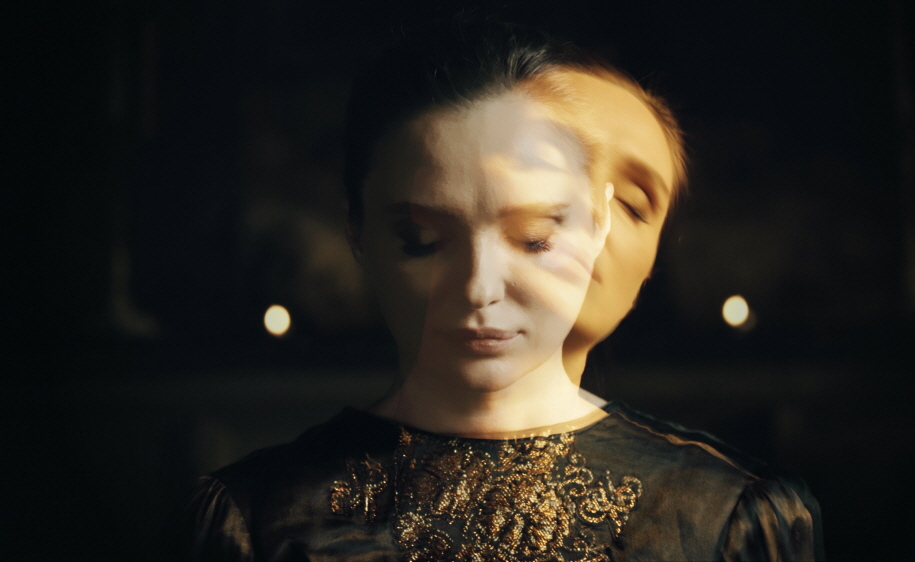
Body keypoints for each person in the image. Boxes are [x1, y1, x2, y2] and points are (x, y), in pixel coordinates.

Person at [171, 17, 822, 561]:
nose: (480, 289)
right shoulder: (254, 518)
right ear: (357, 231)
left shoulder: (727, 515)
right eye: (422, 240)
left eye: (533, 238)